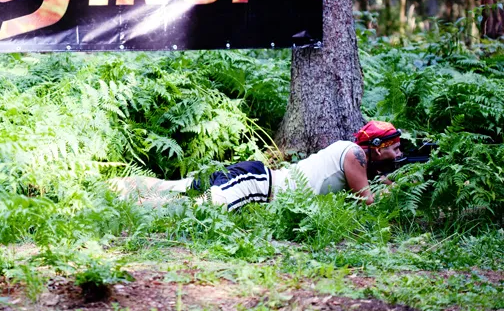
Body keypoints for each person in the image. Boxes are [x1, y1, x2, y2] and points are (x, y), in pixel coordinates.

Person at [112, 120, 404, 209]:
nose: (399, 153)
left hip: (254, 179)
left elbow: (371, 184)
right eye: (395, 148)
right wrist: (396, 187)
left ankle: (118, 187)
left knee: (179, 188)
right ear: (377, 148)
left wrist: (389, 179)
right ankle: (129, 203)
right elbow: (368, 201)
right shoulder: (354, 155)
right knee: (194, 207)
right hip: (256, 185)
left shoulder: (354, 155)